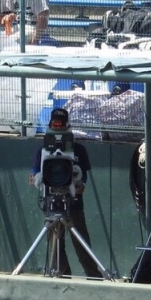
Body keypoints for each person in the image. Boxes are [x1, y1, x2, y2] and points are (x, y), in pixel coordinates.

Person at [29, 107, 101, 279]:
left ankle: (94, 276)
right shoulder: (42, 151)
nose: (58, 126)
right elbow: (34, 173)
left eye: (62, 124)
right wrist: (37, 179)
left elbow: (83, 175)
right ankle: (61, 275)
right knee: (55, 242)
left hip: (73, 202)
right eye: (55, 123)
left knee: (81, 241)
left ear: (67, 125)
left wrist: (81, 185)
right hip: (51, 201)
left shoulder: (79, 150)